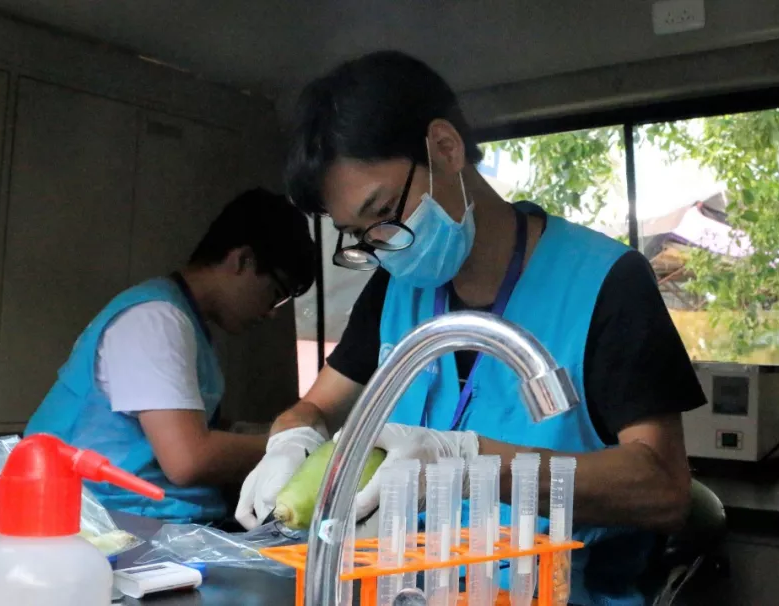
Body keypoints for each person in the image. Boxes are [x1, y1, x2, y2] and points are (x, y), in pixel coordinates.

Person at [238, 51, 706, 604]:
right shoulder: (395, 290)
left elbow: (663, 489)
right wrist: (291, 440)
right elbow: (315, 406)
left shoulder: (606, 282)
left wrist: (466, 461)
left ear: (445, 147)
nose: (382, 246)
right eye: (360, 235)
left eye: (383, 213)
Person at [26, 189, 317, 523]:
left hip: (139, 515)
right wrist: (293, 445)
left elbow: (186, 428)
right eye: (276, 294)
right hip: (104, 517)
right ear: (243, 260)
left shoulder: (182, 319)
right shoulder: (155, 320)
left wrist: (257, 432)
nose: (272, 312)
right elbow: (188, 460)